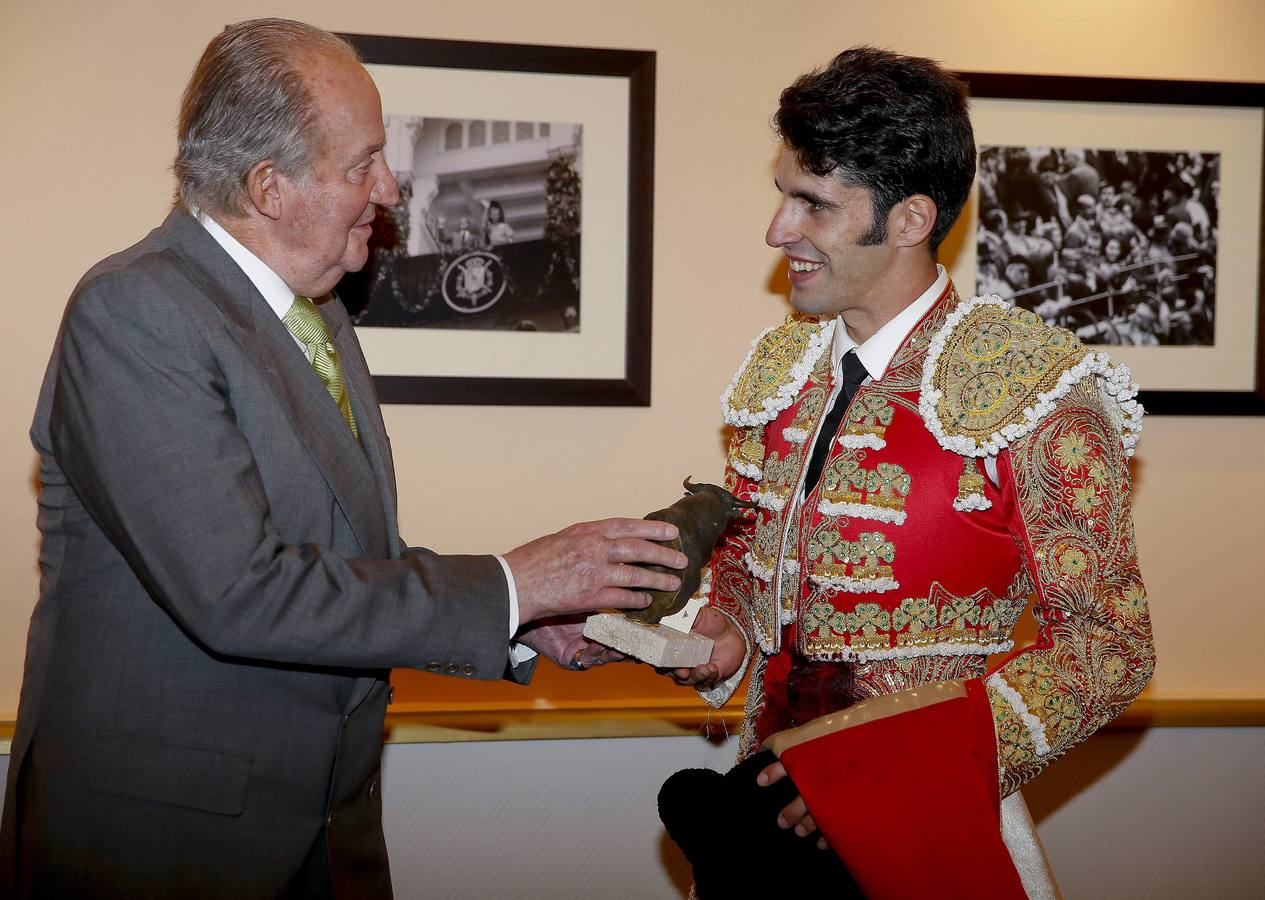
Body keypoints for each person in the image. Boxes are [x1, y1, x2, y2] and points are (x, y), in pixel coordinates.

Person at [1, 19, 686, 899]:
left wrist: (522, 620)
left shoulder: (317, 317)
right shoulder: (136, 311)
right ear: (269, 187)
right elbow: (240, 593)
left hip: (328, 834)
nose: (392, 188)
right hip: (164, 843)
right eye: (362, 164)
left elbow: (343, 566)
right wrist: (511, 583)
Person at [663, 47, 1154, 898]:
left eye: (812, 204)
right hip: (755, 825)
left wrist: (884, 771)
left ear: (909, 219)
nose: (778, 230)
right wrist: (729, 626)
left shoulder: (1033, 387)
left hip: (923, 832)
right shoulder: (780, 373)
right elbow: (752, 559)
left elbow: (1108, 644)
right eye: (784, 195)